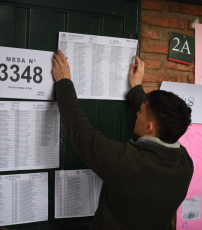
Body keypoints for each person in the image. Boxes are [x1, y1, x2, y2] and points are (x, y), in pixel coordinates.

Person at [52, 50, 193, 230]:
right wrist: (136, 90)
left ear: (149, 127)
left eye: (141, 112)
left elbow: (80, 131)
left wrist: (64, 83)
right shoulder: (186, 164)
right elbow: (159, 124)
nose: (137, 113)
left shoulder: (127, 164)